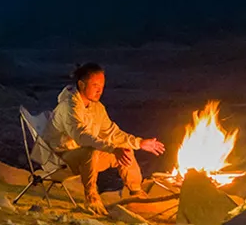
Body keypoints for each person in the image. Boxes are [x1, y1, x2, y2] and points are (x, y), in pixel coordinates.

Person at [48, 63, 167, 215]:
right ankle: (91, 198)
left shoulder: (97, 107)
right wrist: (112, 149)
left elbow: (112, 133)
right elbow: (81, 136)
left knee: (124, 150)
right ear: (81, 84)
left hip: (85, 159)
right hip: (60, 159)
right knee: (90, 150)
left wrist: (139, 143)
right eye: (95, 85)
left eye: (102, 86)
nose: (99, 90)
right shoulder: (69, 107)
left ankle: (137, 193)